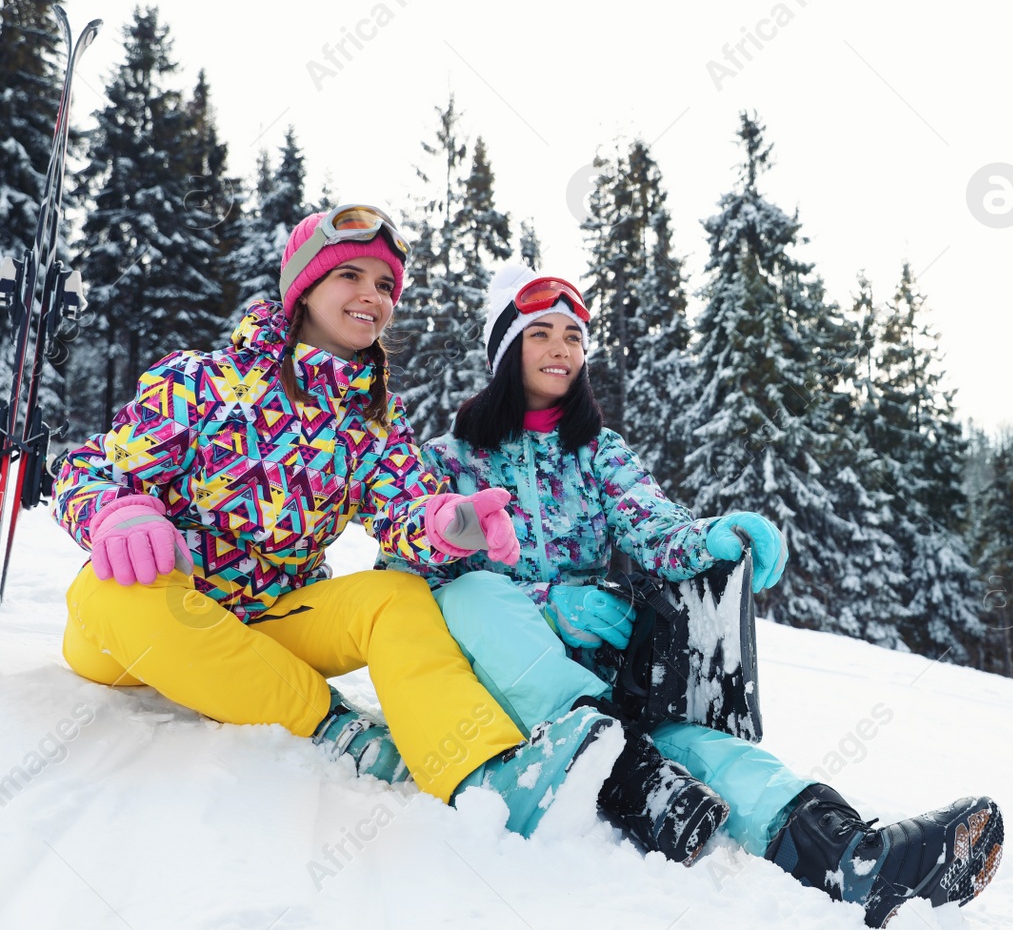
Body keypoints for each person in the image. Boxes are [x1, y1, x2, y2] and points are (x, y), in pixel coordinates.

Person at [381, 263, 1004, 927]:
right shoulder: (451, 459)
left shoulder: (596, 452)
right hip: (502, 687)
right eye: (541, 333)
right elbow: (409, 568)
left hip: (601, 687)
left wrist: (716, 536)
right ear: (506, 349)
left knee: (706, 748)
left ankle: (852, 858)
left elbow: (656, 527)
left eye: (573, 335)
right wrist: (545, 602)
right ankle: (609, 760)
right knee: (473, 590)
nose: (562, 348)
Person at [50, 207, 641, 835]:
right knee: (111, 588)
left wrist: (445, 524)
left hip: (273, 622)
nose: (371, 296)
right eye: (350, 276)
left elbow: (406, 509)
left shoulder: (374, 421)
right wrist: (118, 513)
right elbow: (89, 468)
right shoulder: (203, 382)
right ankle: (334, 725)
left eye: (385, 286)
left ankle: (485, 772)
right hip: (148, 627)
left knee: (397, 594)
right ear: (304, 286)